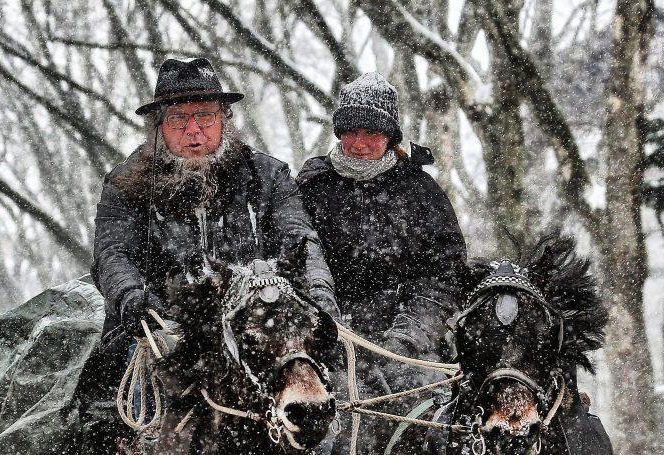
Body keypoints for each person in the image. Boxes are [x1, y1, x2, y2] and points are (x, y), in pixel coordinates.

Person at [92, 56, 339, 393]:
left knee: (320, 409)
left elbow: (302, 242)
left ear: (225, 120)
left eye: (205, 116)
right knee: (123, 409)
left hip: (257, 324)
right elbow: (113, 255)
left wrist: (320, 301)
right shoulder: (125, 184)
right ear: (158, 127)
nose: (194, 131)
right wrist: (133, 298)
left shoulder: (267, 176)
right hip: (161, 327)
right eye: (178, 119)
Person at [297, 72, 467, 398]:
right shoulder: (311, 187)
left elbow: (445, 276)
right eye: (352, 132)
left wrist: (406, 339)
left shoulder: (421, 192)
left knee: (425, 426)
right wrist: (325, 326)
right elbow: (296, 256)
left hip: (409, 346)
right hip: (326, 339)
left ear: (389, 137)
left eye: (371, 133)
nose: (359, 144)